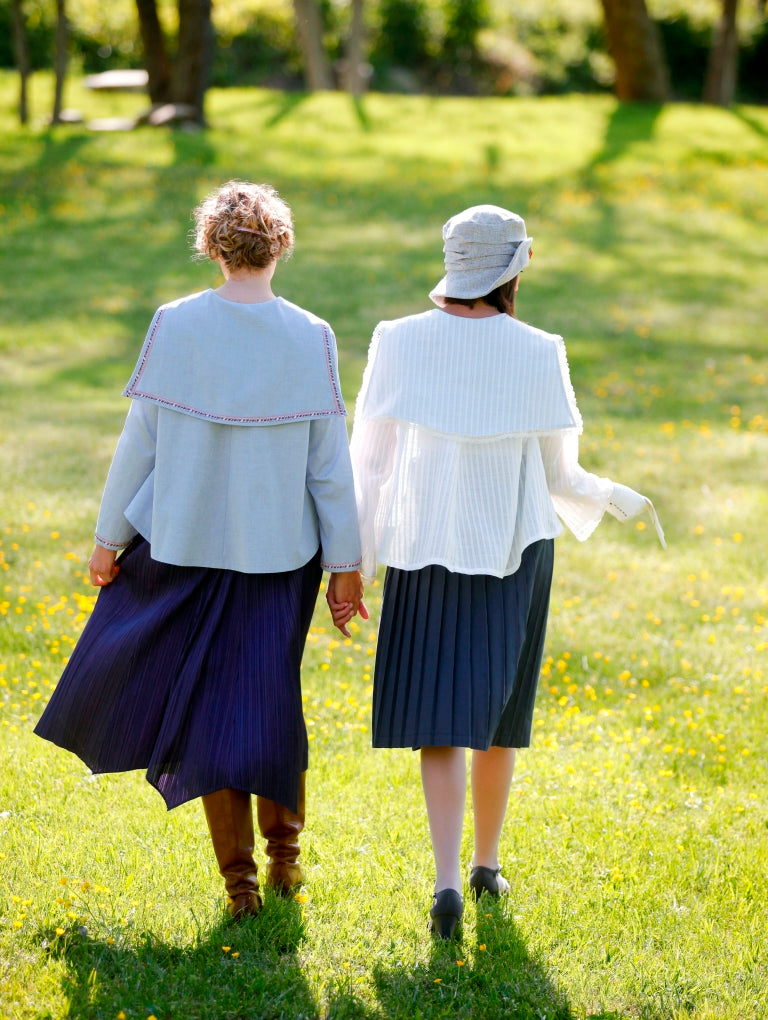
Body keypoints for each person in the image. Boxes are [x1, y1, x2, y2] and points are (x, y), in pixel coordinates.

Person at [35, 180, 366, 919]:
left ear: (212, 247)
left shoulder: (176, 324)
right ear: (280, 246)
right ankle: (284, 861)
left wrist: (107, 537)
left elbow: (140, 444)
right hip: (280, 559)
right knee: (269, 702)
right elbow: (329, 468)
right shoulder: (310, 333)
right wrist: (347, 567)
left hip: (178, 545)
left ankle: (241, 885)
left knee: (210, 708)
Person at [342, 204, 664, 940]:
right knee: (496, 719)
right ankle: (488, 863)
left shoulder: (397, 340)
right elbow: (560, 473)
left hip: (422, 548)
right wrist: (614, 498)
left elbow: (372, 464)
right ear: (514, 269)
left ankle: (447, 881)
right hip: (517, 549)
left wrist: (352, 565)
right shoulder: (539, 348)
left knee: (438, 722)